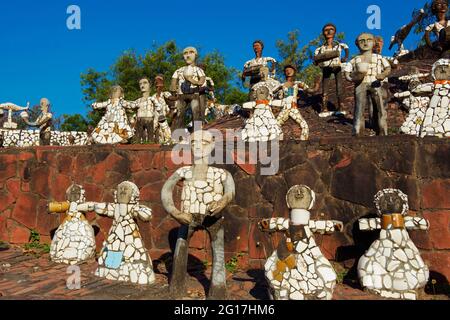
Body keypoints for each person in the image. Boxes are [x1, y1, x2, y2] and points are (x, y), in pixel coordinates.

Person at [344, 33, 391, 136]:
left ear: (374, 42)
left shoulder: (379, 57)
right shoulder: (355, 59)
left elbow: (388, 68)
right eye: (362, 41)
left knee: (379, 107)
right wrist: (352, 78)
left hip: (375, 83)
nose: (365, 43)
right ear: (357, 44)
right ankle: (357, 131)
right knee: (359, 107)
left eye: (368, 40)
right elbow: (346, 73)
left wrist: (383, 74)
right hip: (360, 84)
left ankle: (382, 130)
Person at [314, 23, 349, 113]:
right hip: (326, 68)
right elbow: (316, 59)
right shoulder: (320, 49)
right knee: (325, 87)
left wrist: (345, 57)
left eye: (331, 29)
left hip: (337, 67)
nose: (329, 31)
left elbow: (346, 49)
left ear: (334, 32)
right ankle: (324, 107)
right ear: (323, 33)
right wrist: (318, 62)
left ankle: (341, 106)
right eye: (326, 30)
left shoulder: (339, 45)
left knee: (339, 86)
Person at [170, 47, 207, 130]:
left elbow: (202, 81)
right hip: (181, 95)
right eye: (185, 53)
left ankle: (197, 133)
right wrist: (173, 89)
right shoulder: (179, 70)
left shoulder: (198, 70)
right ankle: (178, 135)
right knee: (180, 114)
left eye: (191, 52)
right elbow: (173, 84)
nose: (188, 55)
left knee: (196, 113)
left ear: (195, 55)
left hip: (194, 94)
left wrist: (192, 80)